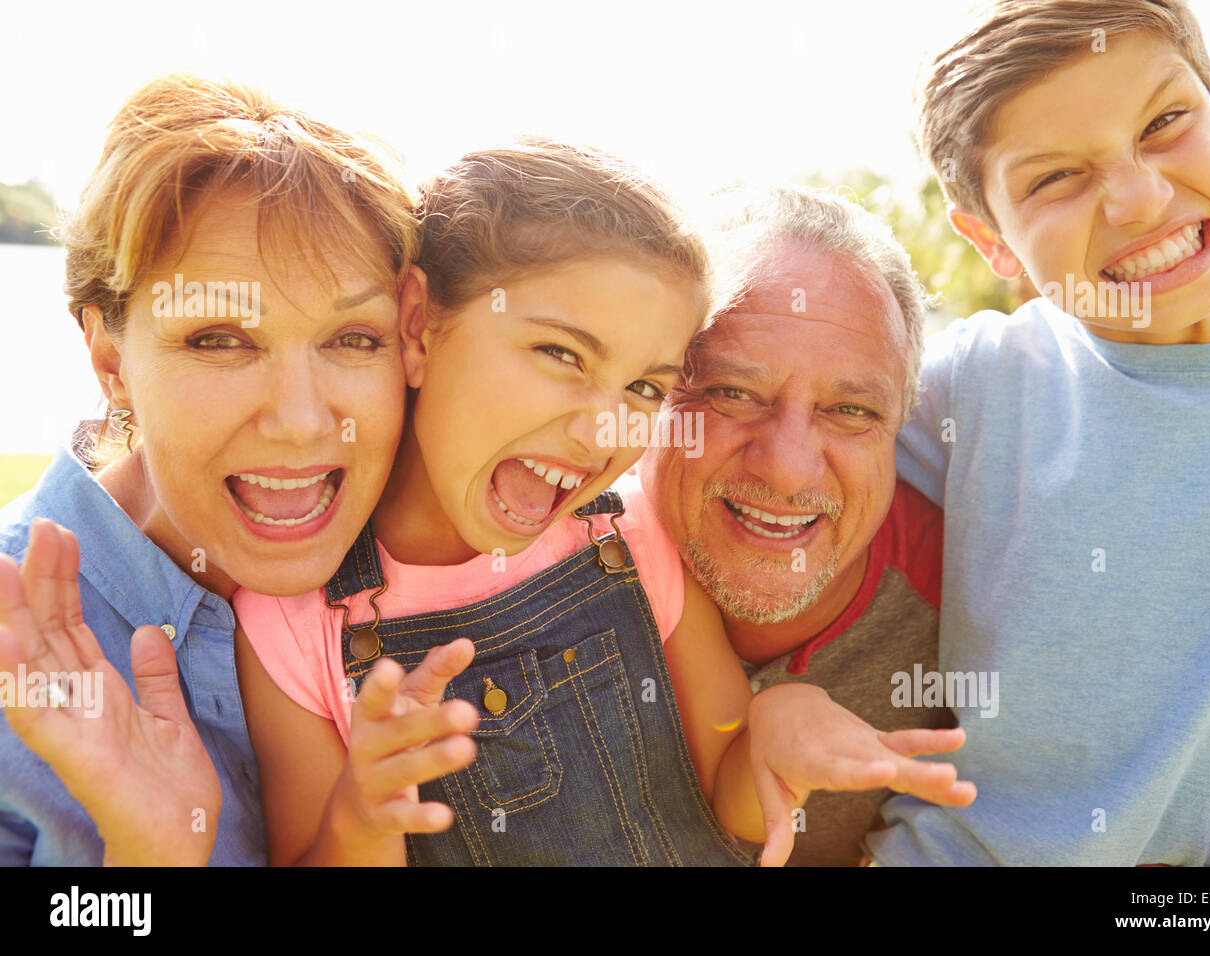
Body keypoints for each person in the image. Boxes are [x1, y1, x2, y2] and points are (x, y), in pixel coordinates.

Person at [233, 142, 976, 866]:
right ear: (419, 325)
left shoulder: (636, 539)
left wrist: (777, 731)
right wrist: (363, 819)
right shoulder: (292, 625)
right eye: (561, 355)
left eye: (645, 387)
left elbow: (728, 786)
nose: (603, 429)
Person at [864, 0, 1210, 866]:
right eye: (1055, 178)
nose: (1140, 199)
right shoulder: (967, 386)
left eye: (1167, 122)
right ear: (990, 239)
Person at [0, 73, 428, 865]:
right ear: (110, 361)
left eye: (354, 339)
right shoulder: (13, 654)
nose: (303, 420)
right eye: (220, 340)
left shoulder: (449, 564)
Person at [637, 185, 965, 866]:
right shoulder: (541, 562)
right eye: (732, 393)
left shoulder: (973, 613)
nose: (786, 470)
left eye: (850, 411)